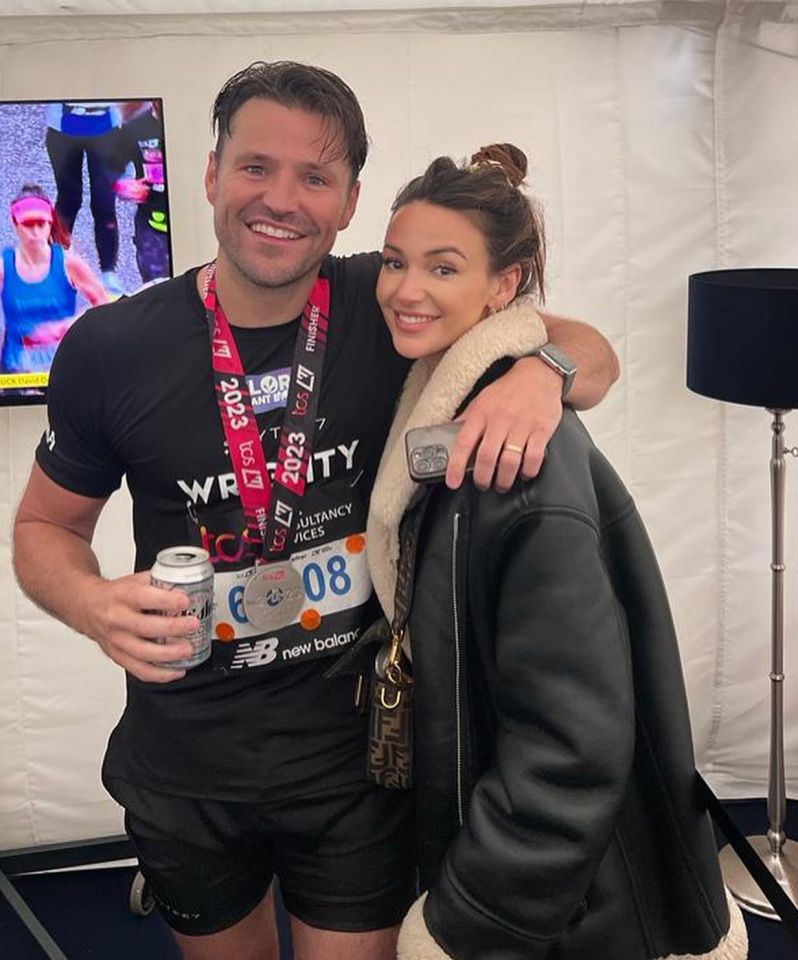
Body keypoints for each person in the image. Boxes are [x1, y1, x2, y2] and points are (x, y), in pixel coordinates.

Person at [13, 63, 618, 960]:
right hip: (184, 763)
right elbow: (43, 531)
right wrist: (91, 604)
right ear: (213, 173)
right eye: (256, 167)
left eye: (315, 177)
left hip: (358, 761)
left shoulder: (393, 306)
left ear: (349, 201)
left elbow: (585, 346)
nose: (281, 199)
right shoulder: (111, 346)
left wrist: (543, 375)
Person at [365, 143, 747, 960]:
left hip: (558, 909)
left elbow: (573, 743)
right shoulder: (444, 390)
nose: (405, 289)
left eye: (442, 268)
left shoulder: (514, 464)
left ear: (503, 286)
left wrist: (467, 918)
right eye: (395, 262)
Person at [0, 183, 107, 374]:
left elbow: (105, 306)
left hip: (65, 370)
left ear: (50, 223)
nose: (35, 232)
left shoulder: (70, 264)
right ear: (14, 223)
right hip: (16, 373)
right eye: (27, 224)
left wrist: (66, 327)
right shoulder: (3, 267)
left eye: (40, 224)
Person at [45, 101, 124, 296]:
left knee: (104, 202)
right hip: (62, 128)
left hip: (107, 129)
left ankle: (108, 274)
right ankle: (54, 269)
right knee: (68, 199)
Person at [111, 100, 171, 286]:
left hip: (196, 222)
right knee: (158, 294)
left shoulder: (194, 126)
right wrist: (124, 187)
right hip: (153, 230)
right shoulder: (134, 130)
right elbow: (108, 173)